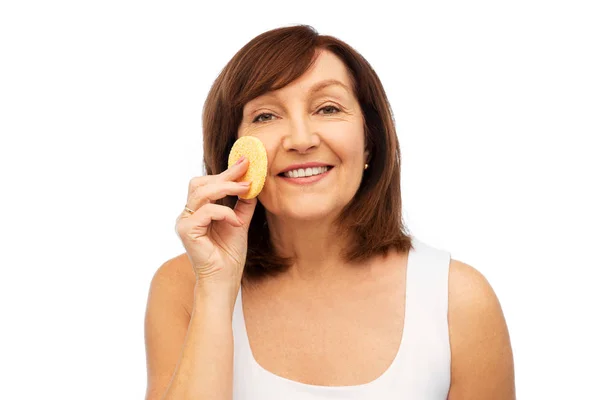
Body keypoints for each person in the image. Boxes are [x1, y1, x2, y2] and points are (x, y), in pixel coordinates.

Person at [144, 25, 515, 400]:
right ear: (234, 152)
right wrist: (215, 287)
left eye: (328, 108)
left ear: (370, 143)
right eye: (266, 116)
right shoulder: (185, 287)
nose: (302, 140)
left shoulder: (458, 301)